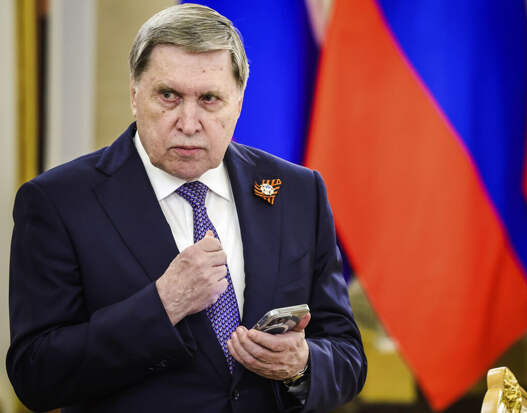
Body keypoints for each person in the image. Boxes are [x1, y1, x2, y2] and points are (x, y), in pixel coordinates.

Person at [6, 4, 366, 412]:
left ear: (238, 102)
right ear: (135, 94)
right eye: (169, 96)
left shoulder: (297, 192)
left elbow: (348, 356)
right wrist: (163, 305)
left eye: (209, 99)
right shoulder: (60, 202)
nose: (189, 122)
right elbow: (35, 375)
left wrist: (302, 365)